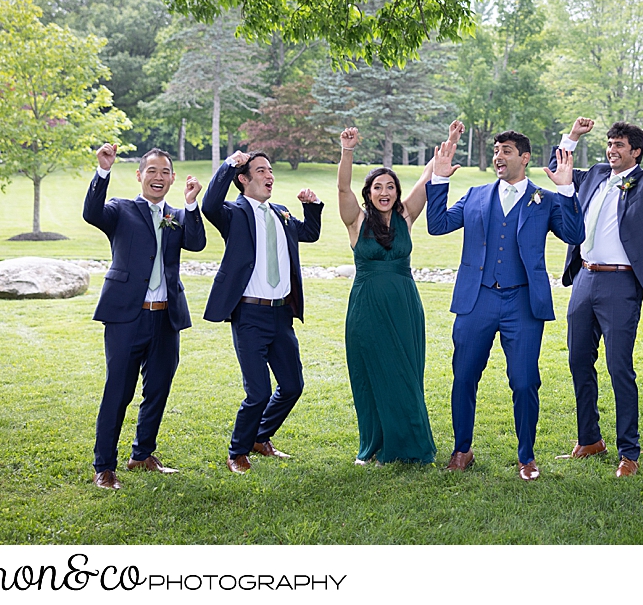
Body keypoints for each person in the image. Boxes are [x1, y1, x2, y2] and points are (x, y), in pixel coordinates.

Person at [426, 130, 584, 481]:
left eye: (506, 151)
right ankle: (461, 449)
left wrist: (567, 188)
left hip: (523, 302)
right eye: (496, 151)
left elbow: (575, 236)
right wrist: (438, 177)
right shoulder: (475, 196)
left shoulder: (545, 199)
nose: (499, 156)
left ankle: (526, 456)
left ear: (524, 158)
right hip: (476, 299)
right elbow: (436, 226)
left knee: (525, 381)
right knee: (464, 376)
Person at [548, 113, 643, 477]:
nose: (611, 150)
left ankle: (629, 452)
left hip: (622, 285)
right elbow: (555, 167)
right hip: (585, 278)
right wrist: (572, 136)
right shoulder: (593, 174)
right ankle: (590, 439)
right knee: (578, 359)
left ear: (636, 152)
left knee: (618, 367)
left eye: (619, 145)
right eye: (609, 144)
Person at [83, 144, 205, 490]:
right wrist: (103, 171)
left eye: (165, 172)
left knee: (158, 389)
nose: (158, 177)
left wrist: (192, 204)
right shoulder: (121, 210)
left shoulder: (178, 216)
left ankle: (142, 454)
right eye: (151, 171)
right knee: (118, 391)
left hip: (166, 318)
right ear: (139, 176)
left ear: (172, 179)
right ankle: (104, 466)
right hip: (126, 316)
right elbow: (92, 213)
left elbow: (196, 243)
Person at [336, 123, 459, 465]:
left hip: (405, 307)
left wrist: (449, 144)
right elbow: (343, 187)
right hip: (367, 309)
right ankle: (374, 443)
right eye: (378, 187)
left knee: (405, 372)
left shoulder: (405, 215)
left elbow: (426, 179)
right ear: (369, 193)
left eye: (391, 186)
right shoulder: (355, 222)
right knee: (372, 374)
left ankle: (409, 445)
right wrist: (348, 150)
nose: (385, 192)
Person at [202, 150, 322, 474]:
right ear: (244, 179)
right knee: (258, 392)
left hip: (281, 315)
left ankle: (260, 438)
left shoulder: (281, 213)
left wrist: (311, 207)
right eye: (260, 170)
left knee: (293, 385)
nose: (269, 176)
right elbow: (209, 205)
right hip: (249, 316)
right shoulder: (234, 213)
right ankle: (237, 451)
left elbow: (310, 233)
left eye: (270, 170)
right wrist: (229, 164)